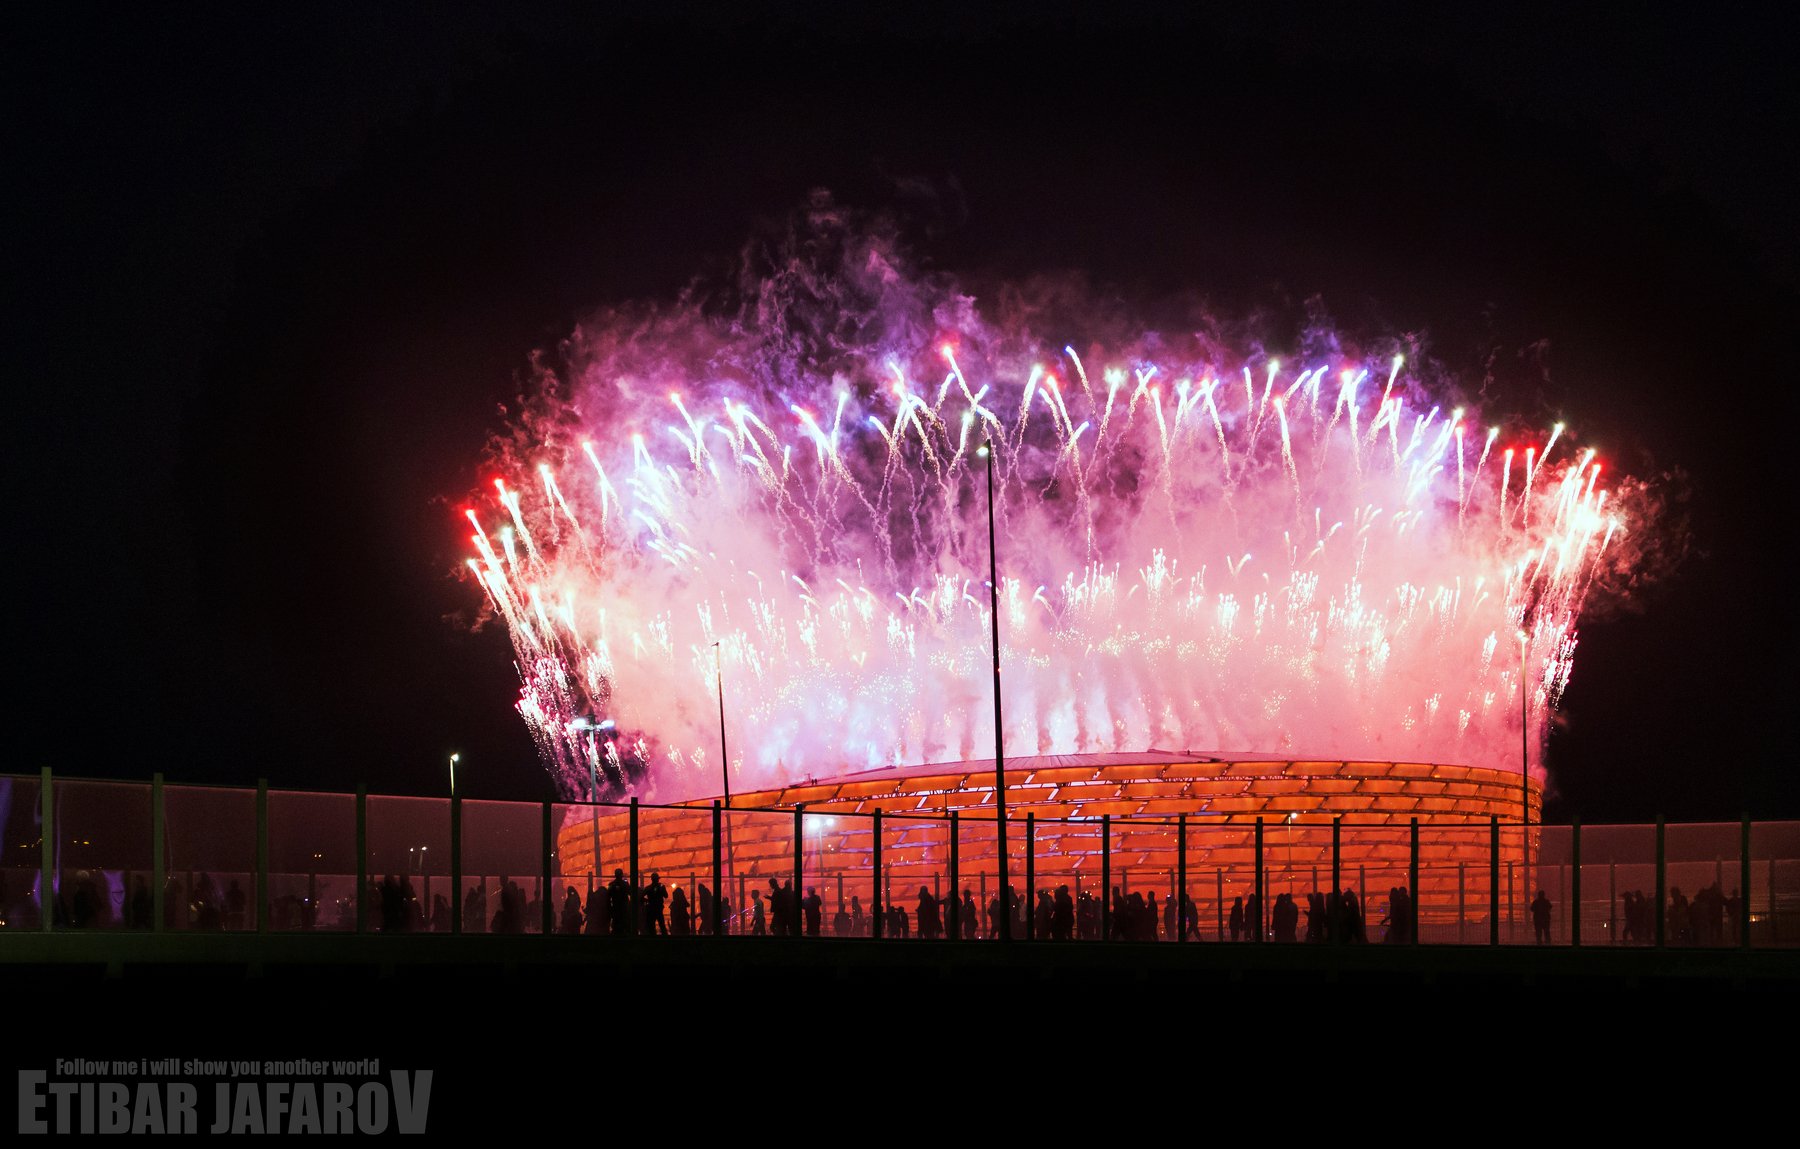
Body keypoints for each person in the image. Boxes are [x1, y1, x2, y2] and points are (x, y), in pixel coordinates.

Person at [606, 869, 632, 936]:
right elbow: (631, 893)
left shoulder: (611, 884)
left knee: (616, 925)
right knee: (625, 925)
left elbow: (608, 897)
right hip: (624, 908)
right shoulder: (625, 884)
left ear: (615, 875)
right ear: (622, 874)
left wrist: (610, 908)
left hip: (615, 908)